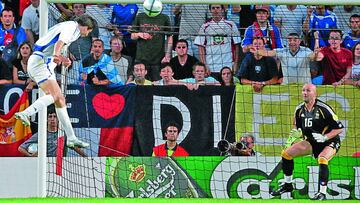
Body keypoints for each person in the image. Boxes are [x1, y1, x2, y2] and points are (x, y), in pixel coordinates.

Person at [14, 14, 95, 148]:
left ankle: (71, 137)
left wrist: (64, 59)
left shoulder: (72, 30)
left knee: (60, 99)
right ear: (85, 27)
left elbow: (56, 46)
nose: (87, 34)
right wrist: (57, 55)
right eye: (89, 31)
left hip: (44, 64)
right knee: (55, 96)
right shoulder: (71, 27)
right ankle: (25, 113)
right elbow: (59, 43)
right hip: (40, 62)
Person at [271, 83, 343, 200]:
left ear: (315, 93)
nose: (305, 93)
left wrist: (325, 137)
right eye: (303, 90)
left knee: (322, 159)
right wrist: (296, 133)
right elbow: (296, 125)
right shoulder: (299, 109)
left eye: (308, 90)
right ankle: (288, 185)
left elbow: (339, 128)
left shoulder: (324, 109)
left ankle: (322, 193)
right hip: (311, 141)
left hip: (329, 141)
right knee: (286, 154)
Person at [18, 106, 86, 157]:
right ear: (47, 119)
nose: (52, 119)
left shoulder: (63, 134)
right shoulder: (41, 134)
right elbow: (21, 148)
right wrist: (31, 156)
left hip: (60, 164)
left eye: (55, 117)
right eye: (50, 117)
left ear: (58, 119)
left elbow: (76, 148)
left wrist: (87, 157)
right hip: (45, 164)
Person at [131, 2, 173, 81]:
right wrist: (140, 34)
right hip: (141, 58)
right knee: (141, 85)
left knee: (157, 85)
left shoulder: (164, 18)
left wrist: (167, 55)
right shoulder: (140, 16)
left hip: (158, 59)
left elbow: (170, 36)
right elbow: (132, 36)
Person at [194, 4, 241, 75]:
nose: (215, 10)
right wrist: (204, 66)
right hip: (211, 67)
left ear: (222, 9)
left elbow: (236, 46)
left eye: (218, 8)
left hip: (227, 66)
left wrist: (235, 64)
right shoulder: (205, 26)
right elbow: (200, 47)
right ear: (210, 10)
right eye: (213, 8)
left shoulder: (231, 24)